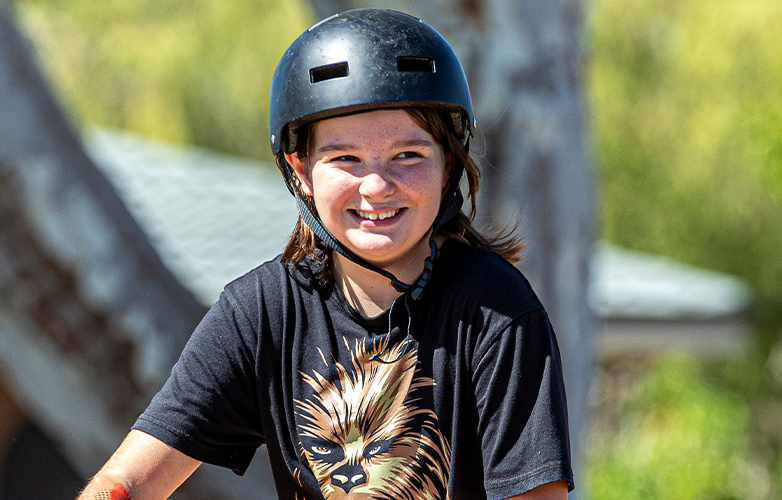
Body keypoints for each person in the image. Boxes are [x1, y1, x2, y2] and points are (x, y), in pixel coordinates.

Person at [77, 8, 573, 500]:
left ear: (449, 165)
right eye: (345, 159)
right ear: (300, 170)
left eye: (409, 155)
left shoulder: (498, 313)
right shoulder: (261, 314)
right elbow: (125, 484)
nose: (377, 186)